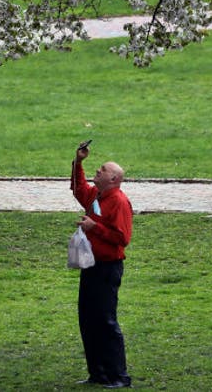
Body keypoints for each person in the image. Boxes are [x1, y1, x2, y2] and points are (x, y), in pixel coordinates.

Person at [70, 142, 134, 389]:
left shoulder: (118, 201)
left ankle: (119, 376)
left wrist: (94, 228)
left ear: (114, 179)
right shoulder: (96, 194)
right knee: (88, 320)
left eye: (102, 169)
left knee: (106, 321)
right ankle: (97, 373)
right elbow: (78, 189)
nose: (98, 170)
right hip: (91, 265)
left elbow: (122, 239)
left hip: (108, 268)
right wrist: (78, 163)